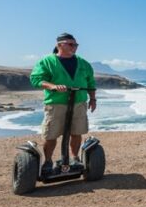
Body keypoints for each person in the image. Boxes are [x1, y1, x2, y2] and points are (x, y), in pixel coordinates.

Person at [29, 33, 97, 172]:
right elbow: (36, 79)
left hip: (78, 102)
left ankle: (74, 158)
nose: (74, 47)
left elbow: (91, 82)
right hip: (56, 103)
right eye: (70, 44)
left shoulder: (83, 63)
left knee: (76, 132)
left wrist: (93, 98)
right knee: (51, 134)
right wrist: (52, 86)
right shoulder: (47, 61)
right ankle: (48, 162)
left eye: (76, 45)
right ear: (59, 45)